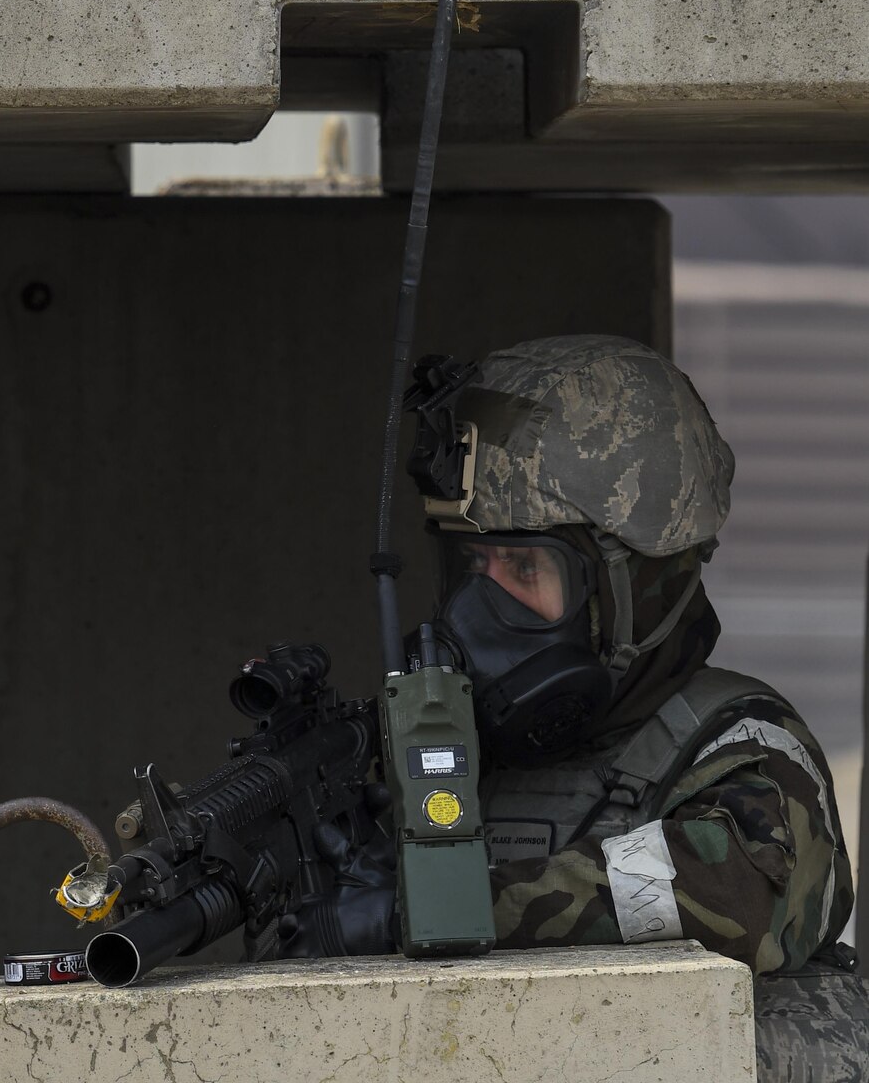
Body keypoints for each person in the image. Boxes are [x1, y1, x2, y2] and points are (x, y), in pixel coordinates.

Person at [285, 334, 868, 1080]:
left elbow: (728, 896)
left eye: (525, 567)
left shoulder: (747, 745)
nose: (480, 608)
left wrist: (424, 913)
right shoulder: (466, 754)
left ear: (639, 585)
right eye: (470, 565)